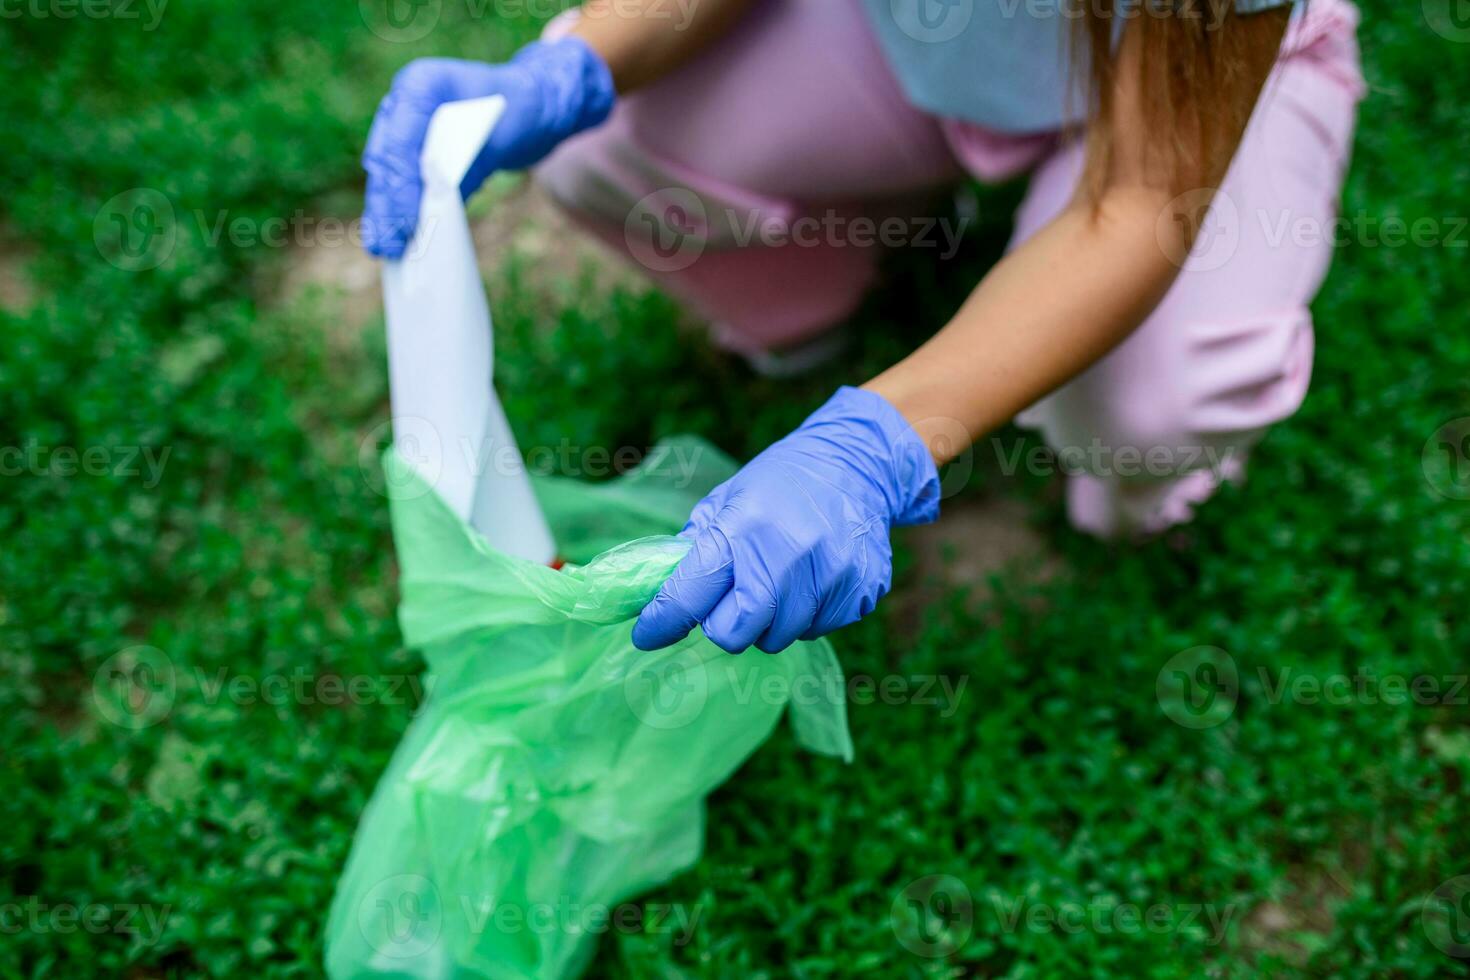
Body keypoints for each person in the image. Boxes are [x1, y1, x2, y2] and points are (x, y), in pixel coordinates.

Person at [360, 0, 1364, 655]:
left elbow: (1141, 201)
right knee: (603, 145)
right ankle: (821, 281)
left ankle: (1134, 479)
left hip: (1195, 86)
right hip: (932, 33)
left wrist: (877, 444)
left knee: (1154, 401)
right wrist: (570, 71)